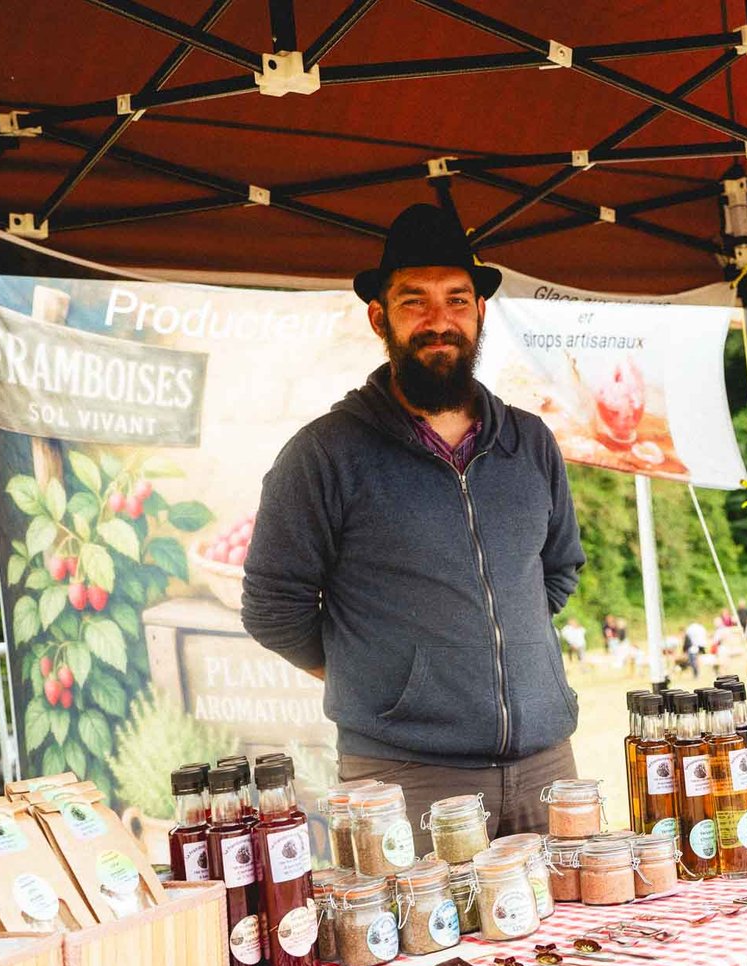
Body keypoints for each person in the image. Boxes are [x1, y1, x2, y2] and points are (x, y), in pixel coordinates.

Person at [241, 203, 585, 846]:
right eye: (414, 302)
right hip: (405, 776)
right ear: (380, 318)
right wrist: (384, 677)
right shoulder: (324, 455)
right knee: (421, 921)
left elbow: (559, 569)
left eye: (457, 300)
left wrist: (509, 653)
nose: (439, 321)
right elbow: (272, 608)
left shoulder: (531, 442)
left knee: (573, 914)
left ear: (480, 312)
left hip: (547, 767)